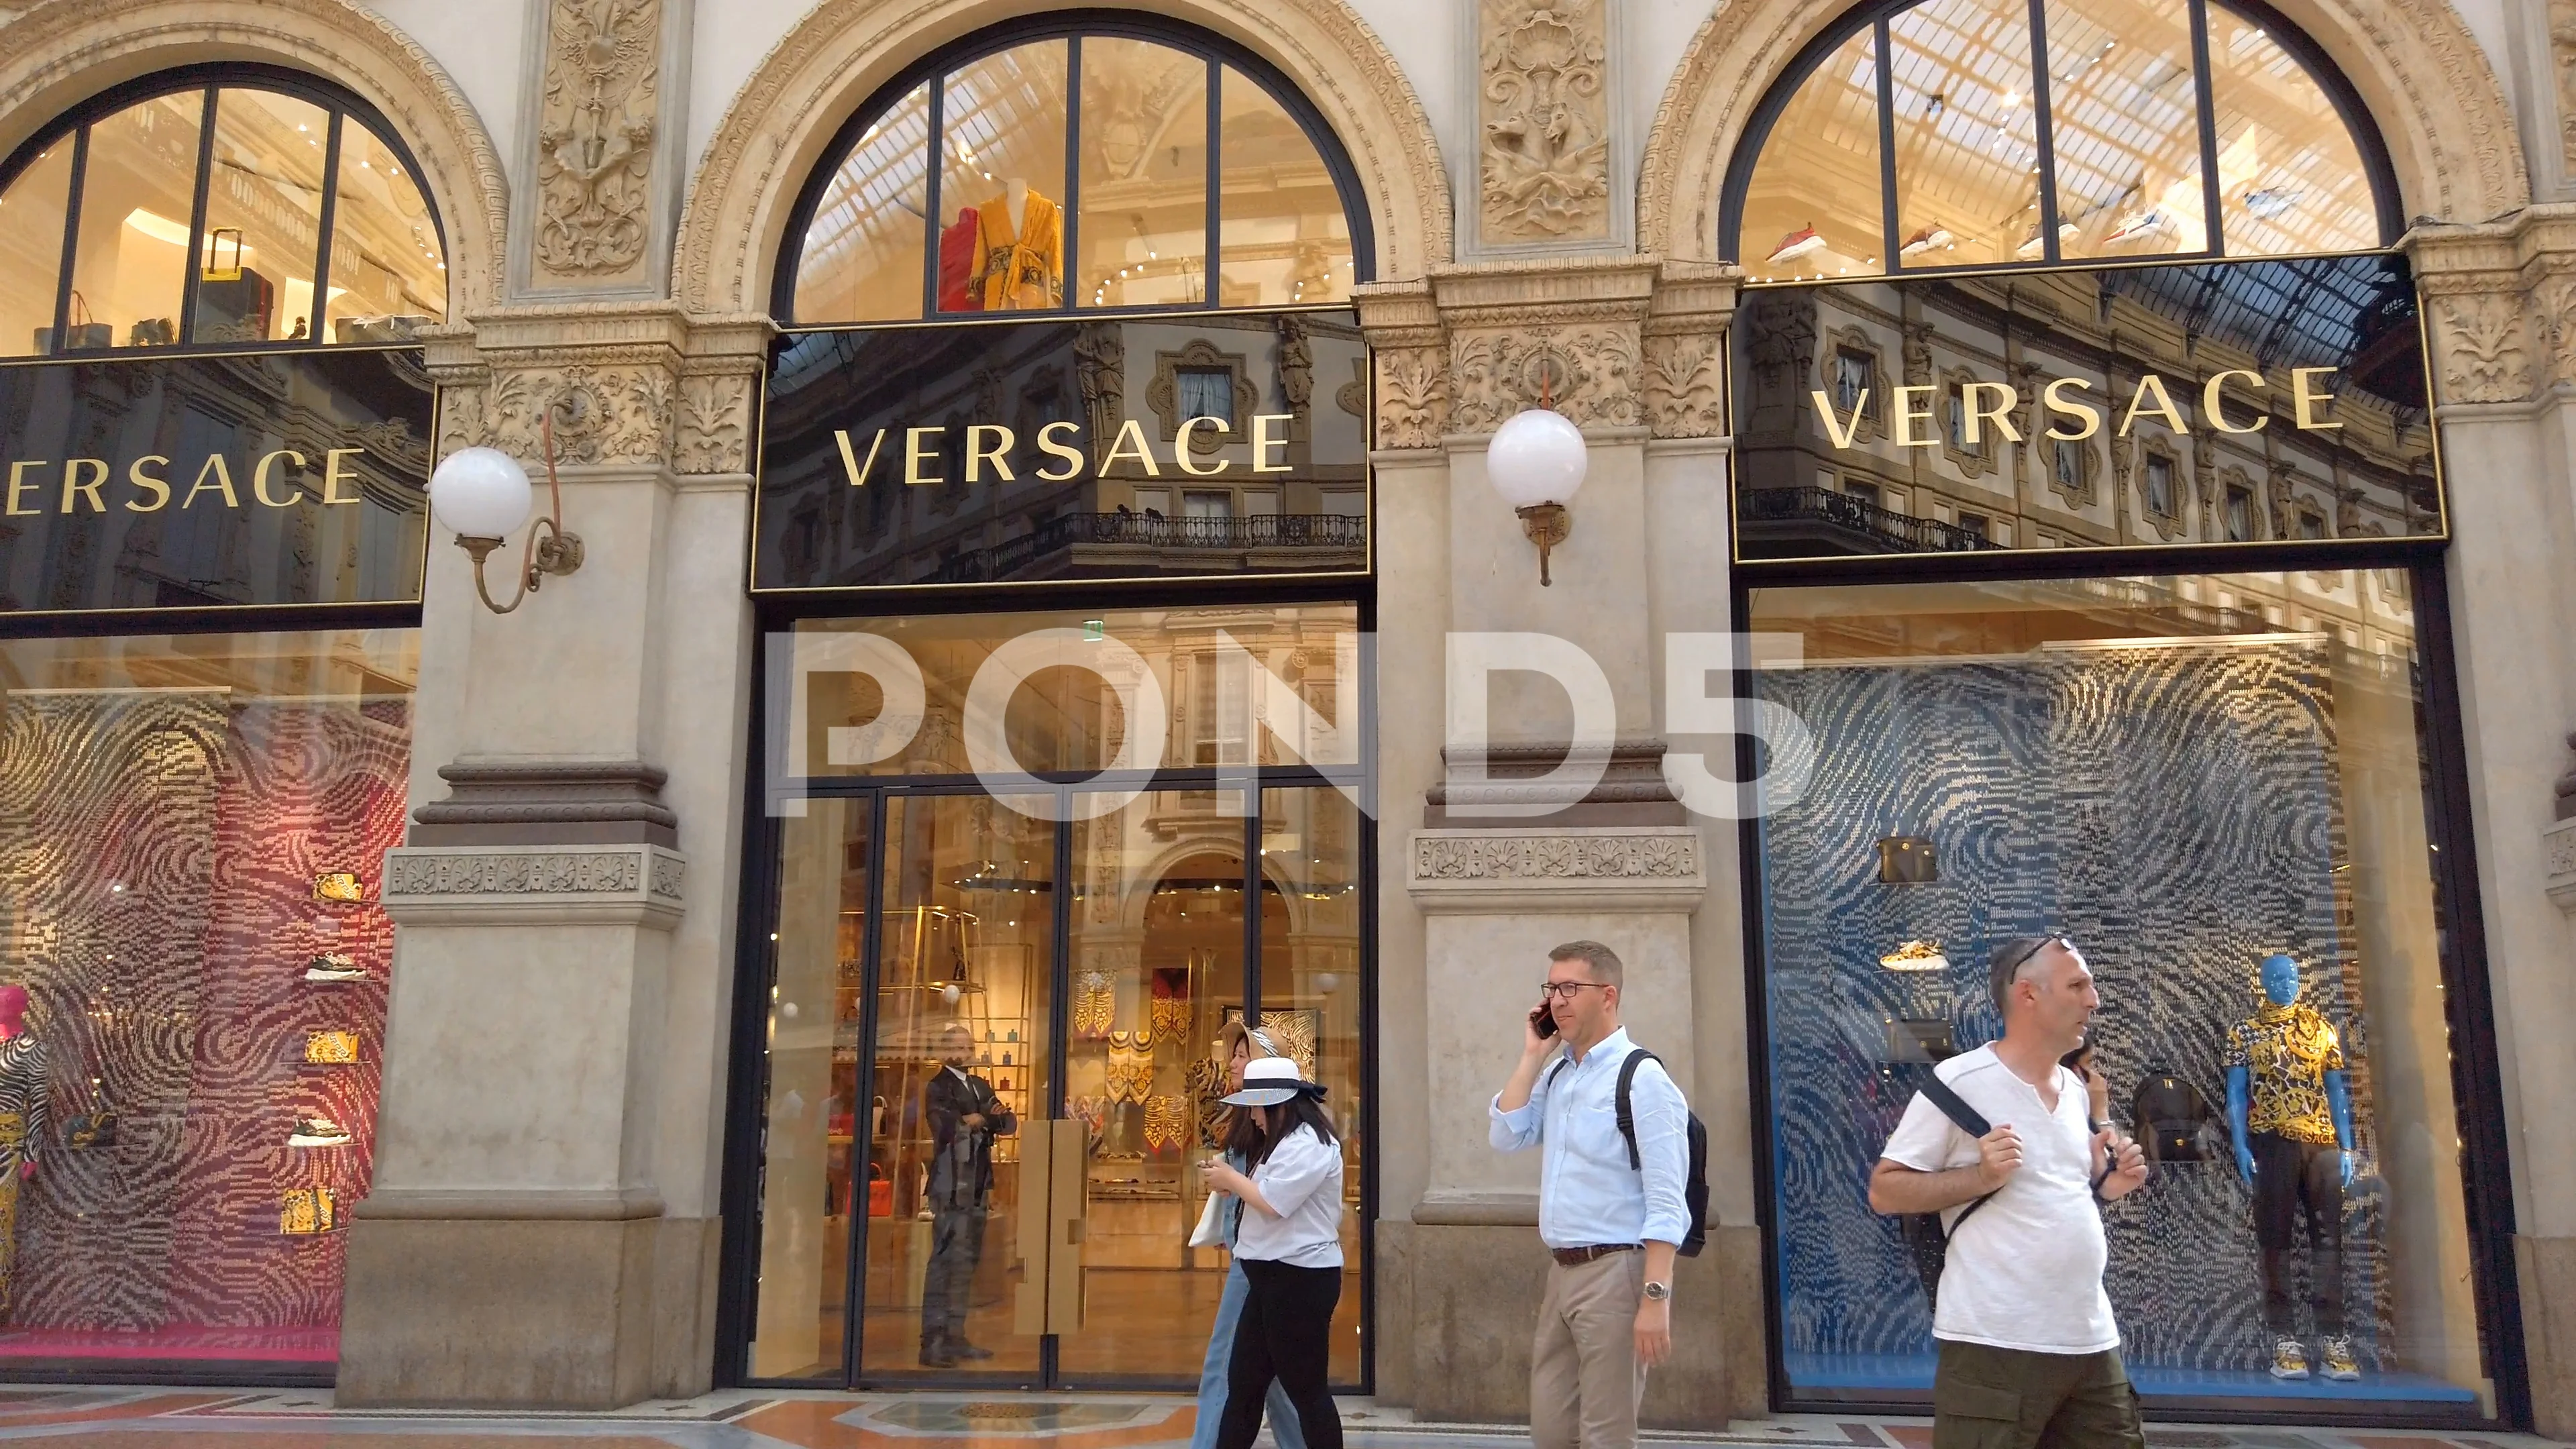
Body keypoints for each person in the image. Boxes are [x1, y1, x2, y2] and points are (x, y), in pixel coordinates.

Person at [1870, 936, 2151, 1449]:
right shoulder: (1959, 1082)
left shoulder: (2074, 1091)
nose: (2094, 1000)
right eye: (2077, 985)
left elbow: (2049, 1201)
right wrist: (1979, 1177)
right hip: (1994, 1346)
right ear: (2027, 995)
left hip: (2089, 1338)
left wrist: (2109, 1189)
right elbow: (1885, 1191)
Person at [1489, 941, 1690, 1449]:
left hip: (1617, 1272)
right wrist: (1534, 1053)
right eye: (1552, 988)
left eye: (1570, 988)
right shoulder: (1560, 1073)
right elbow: (1506, 1134)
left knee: (1606, 1435)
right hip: (1563, 1271)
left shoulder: (1643, 1079)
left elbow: (1669, 1201)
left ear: (1607, 995)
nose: (1557, 1000)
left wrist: (1655, 1298)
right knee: (1552, 1432)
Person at [1201, 1055, 1345, 1449]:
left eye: (1256, 1109)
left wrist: (1231, 1178)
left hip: (1300, 1280)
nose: (1253, 1119)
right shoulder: (1281, 1145)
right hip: (1268, 1277)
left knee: (1307, 1390)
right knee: (1244, 1386)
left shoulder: (1311, 1145)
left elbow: (1275, 1202)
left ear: (1277, 1106)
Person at [1190, 1023, 1306, 1449]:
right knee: (1273, 1372)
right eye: (1234, 1053)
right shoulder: (1250, 1118)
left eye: (1243, 1054)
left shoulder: (1280, 1123)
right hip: (1255, 1253)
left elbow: (1273, 1194)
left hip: (1264, 1260)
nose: (1233, 1062)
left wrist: (1228, 1181)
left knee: (1227, 1363)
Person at [919, 1022, 1015, 1367]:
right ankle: (933, 1340)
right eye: (957, 1046)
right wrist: (974, 1120)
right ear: (946, 1050)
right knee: (944, 1259)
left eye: (968, 1045)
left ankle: (956, 1334)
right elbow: (945, 1127)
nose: (964, 1051)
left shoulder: (980, 1084)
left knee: (967, 1260)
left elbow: (1006, 1122)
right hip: (951, 1181)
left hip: (977, 1182)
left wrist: (983, 1119)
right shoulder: (938, 1086)